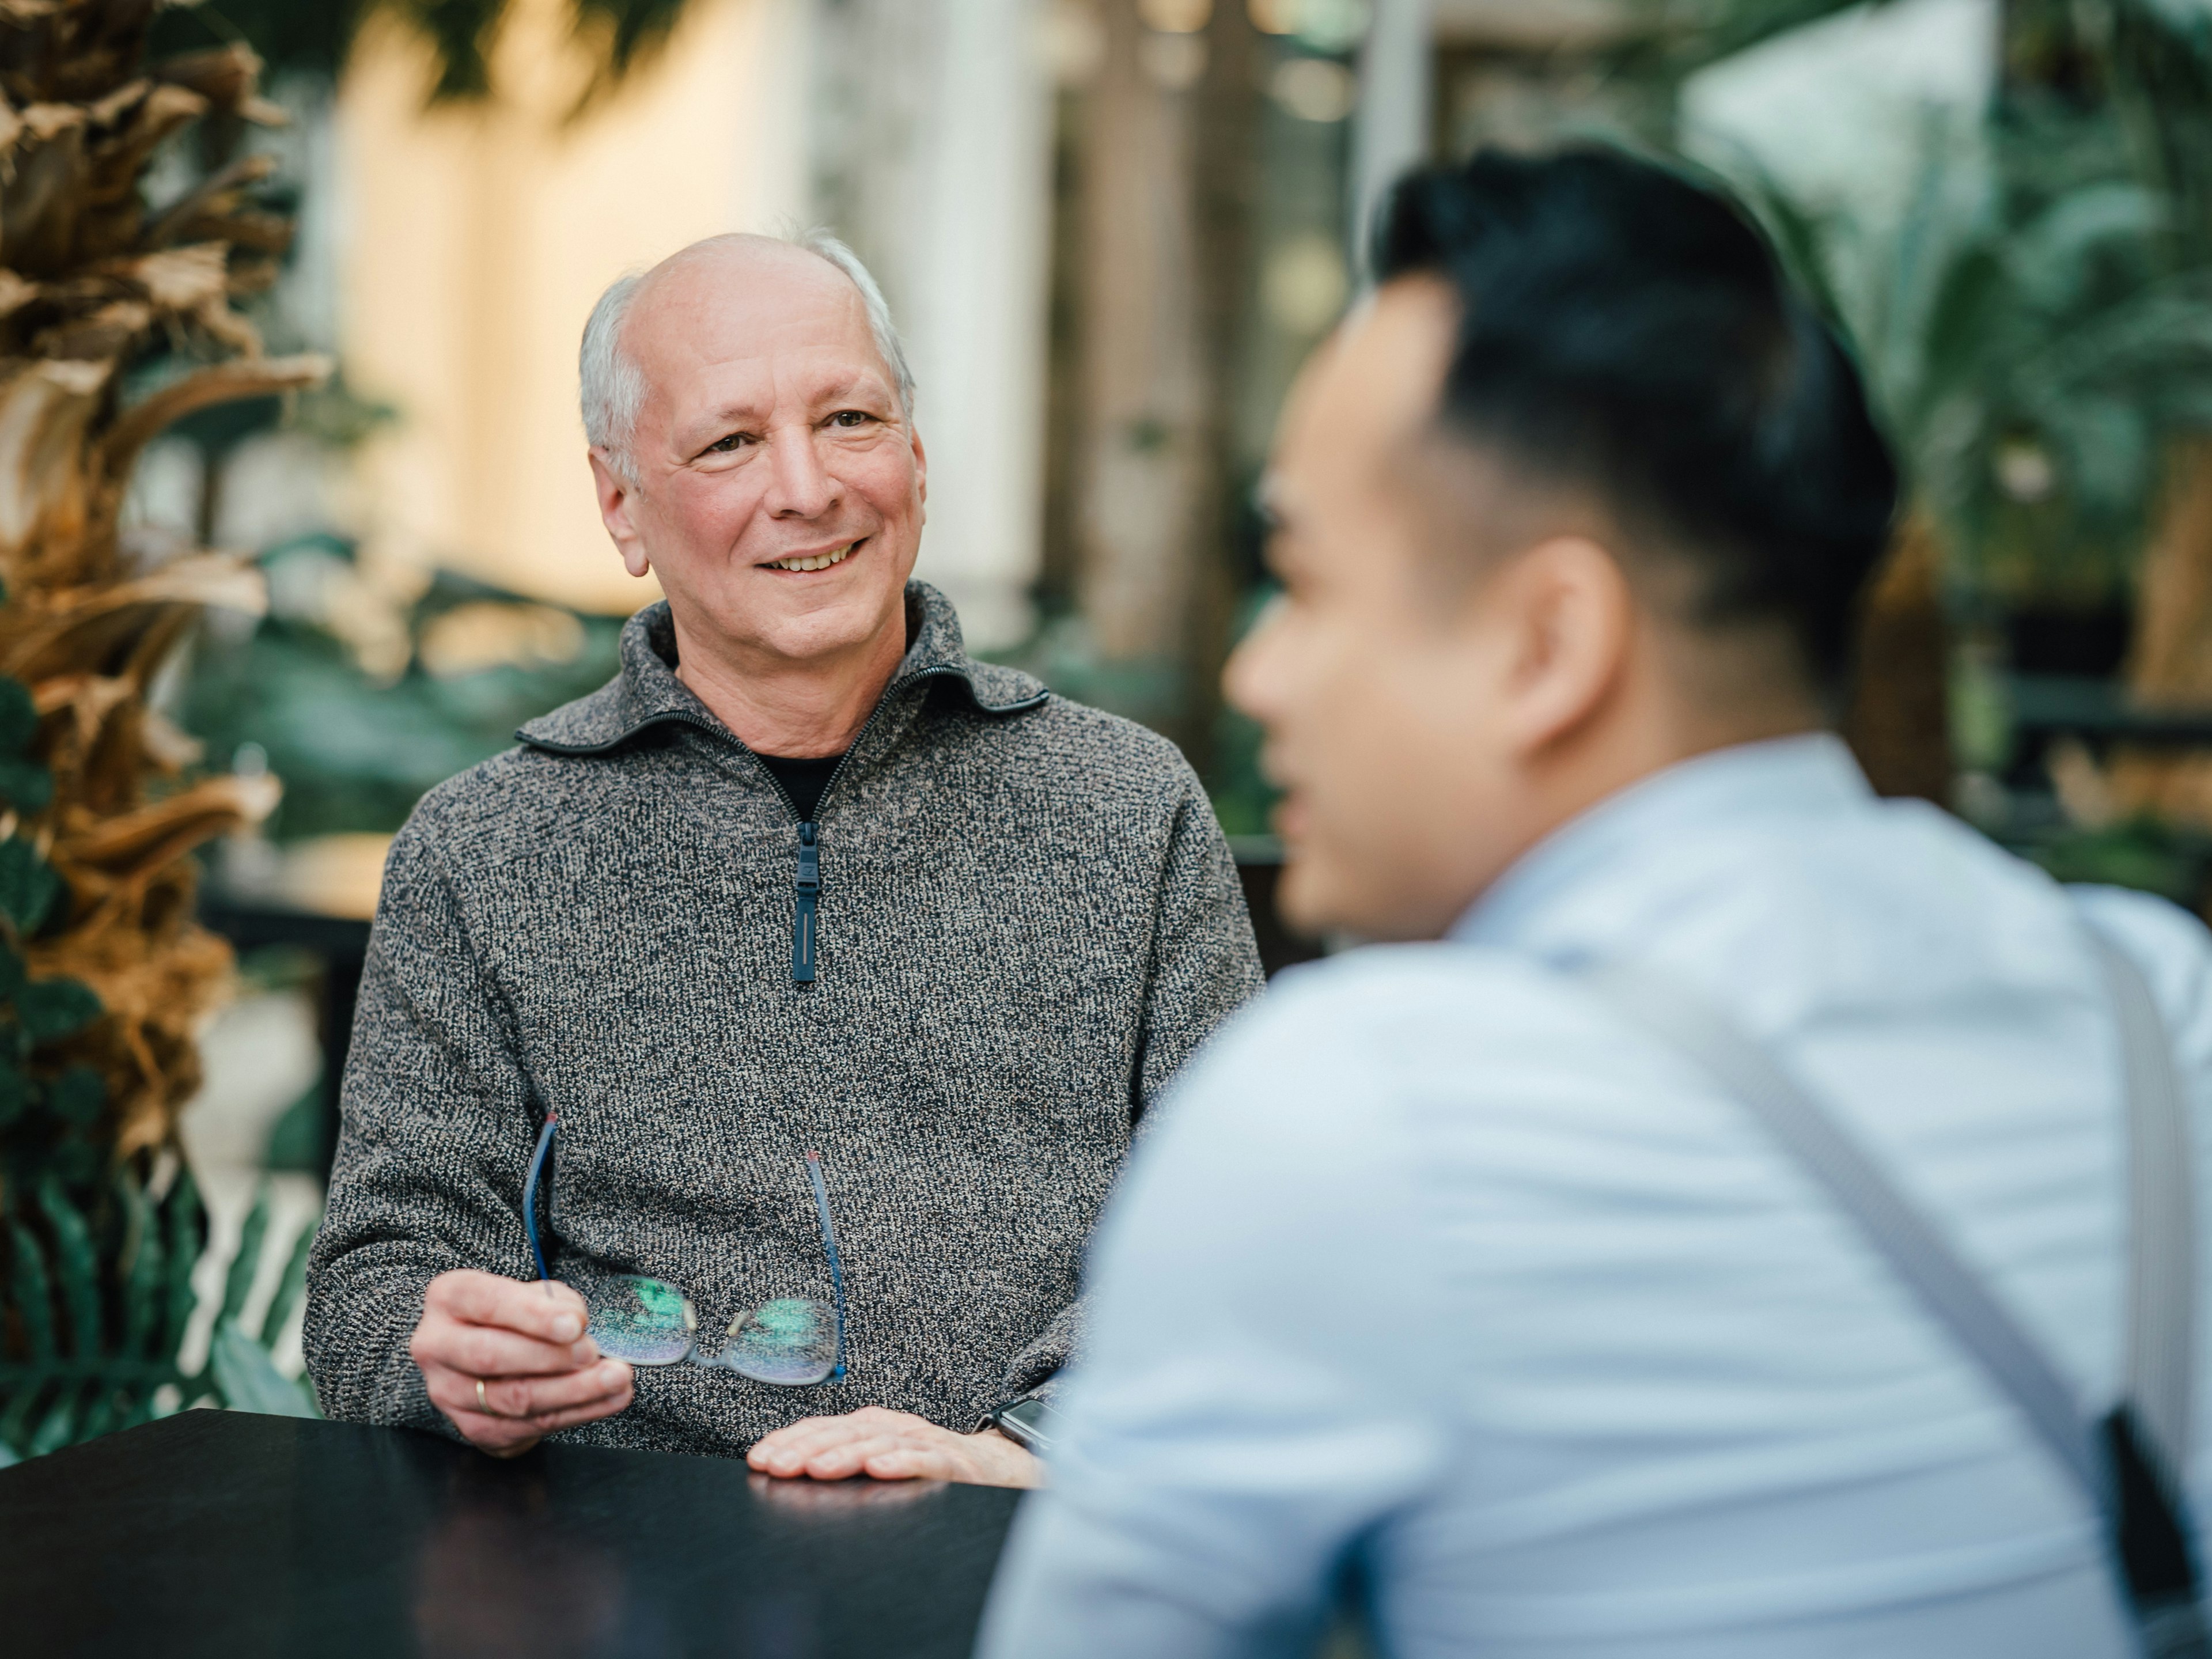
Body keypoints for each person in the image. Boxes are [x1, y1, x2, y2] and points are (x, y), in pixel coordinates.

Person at [978, 146, 2212, 1654]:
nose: (1257, 674)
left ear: (1548, 644)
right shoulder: (2159, 1011)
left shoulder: (1360, 1111)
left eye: (1302, 582)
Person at [302, 232, 1263, 1486]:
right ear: (619, 504)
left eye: (850, 419)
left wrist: (1020, 1453)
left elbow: (1248, 1230)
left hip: (1033, 1537)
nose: (807, 489)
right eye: (729, 443)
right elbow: (374, 1289)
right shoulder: (483, 849)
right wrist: (456, 1363)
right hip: (621, 1564)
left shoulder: (1129, 810)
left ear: (916, 462)